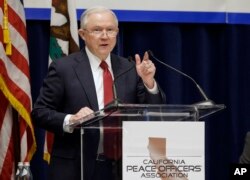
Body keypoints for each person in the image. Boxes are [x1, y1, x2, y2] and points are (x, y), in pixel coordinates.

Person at [32, 6, 166, 180]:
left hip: (123, 167)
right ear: (82, 34)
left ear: (117, 33)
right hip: (76, 167)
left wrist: (149, 82)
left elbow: (154, 112)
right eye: (97, 30)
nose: (105, 36)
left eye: (110, 30)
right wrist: (71, 120)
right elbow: (40, 112)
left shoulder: (129, 68)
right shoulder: (64, 68)